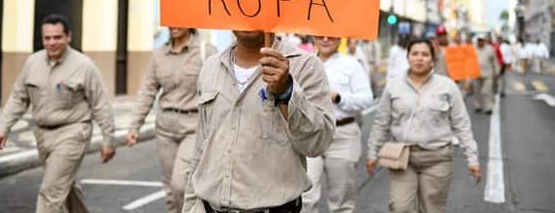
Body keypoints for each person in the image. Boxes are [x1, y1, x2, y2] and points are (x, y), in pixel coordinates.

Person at [182, 31, 335, 213]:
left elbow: (317, 143)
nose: (248, 9)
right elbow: (201, 148)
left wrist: (286, 91)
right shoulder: (211, 67)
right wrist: (190, 205)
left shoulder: (305, 65)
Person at [0, 14, 116, 213]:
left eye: (57, 37)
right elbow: (18, 97)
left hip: (73, 133)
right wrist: (3, 127)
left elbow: (100, 103)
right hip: (42, 135)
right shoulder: (32, 63)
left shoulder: (84, 66)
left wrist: (108, 139)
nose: (52, 43)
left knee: (50, 192)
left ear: (69, 37)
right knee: (64, 187)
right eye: (47, 38)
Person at [366, 38, 481, 213]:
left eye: (425, 54)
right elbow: (381, 123)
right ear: (408, 57)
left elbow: (462, 124)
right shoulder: (394, 86)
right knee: (400, 207)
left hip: (437, 158)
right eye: (415, 54)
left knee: (432, 209)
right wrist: (372, 153)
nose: (419, 58)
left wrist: (472, 159)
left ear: (432, 59)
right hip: (402, 157)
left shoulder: (447, 86)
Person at [127, 28, 216, 213]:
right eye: (170, 21)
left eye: (179, 20)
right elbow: (147, 91)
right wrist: (135, 125)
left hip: (194, 125)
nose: (174, 25)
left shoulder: (206, 51)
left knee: (181, 184)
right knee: (169, 187)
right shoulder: (159, 55)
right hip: (165, 127)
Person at [302, 36, 373, 213]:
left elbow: (366, 99)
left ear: (339, 38)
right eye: (320, 35)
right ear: (313, 37)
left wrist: (339, 97)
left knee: (341, 197)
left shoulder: (352, 64)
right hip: (310, 134)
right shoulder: (303, 63)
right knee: (305, 195)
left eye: (331, 36)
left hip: (342, 133)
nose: (325, 39)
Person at [474, 35, 499, 114]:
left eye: (481, 40)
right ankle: (477, 105)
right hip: (475, 74)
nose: (480, 41)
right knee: (477, 91)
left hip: (488, 74)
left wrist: (497, 72)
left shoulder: (490, 49)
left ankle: (488, 107)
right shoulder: (473, 49)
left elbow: (495, 61)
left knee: (487, 91)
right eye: (479, 40)